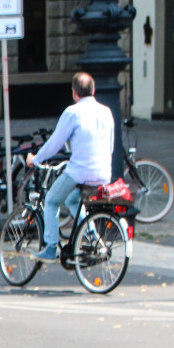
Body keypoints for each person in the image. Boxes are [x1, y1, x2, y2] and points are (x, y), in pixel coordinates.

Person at [25, 72, 114, 262]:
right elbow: (111, 145)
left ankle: (50, 247)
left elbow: (54, 143)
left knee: (51, 200)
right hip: (104, 172)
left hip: (79, 172)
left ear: (74, 93)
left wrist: (36, 159)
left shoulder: (72, 112)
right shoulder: (106, 111)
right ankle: (91, 237)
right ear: (94, 90)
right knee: (73, 200)